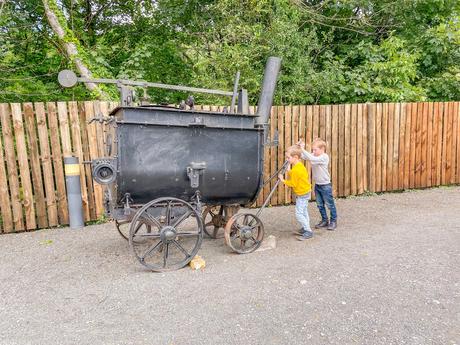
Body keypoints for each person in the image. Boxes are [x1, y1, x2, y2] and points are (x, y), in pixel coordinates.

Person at [297, 138, 337, 230]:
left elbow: (311, 158)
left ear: (322, 149)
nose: (313, 151)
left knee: (329, 204)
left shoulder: (324, 157)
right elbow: (304, 156)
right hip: (317, 185)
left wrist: (303, 149)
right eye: (312, 150)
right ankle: (324, 220)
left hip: (326, 185)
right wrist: (299, 148)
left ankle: (333, 221)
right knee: (319, 204)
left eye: (315, 149)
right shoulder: (314, 155)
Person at [278, 145, 313, 240]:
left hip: (302, 194)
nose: (287, 159)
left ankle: (308, 231)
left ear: (296, 157)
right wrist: (289, 171)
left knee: (299, 213)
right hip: (305, 192)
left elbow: (292, 183)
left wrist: (283, 180)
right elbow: (294, 174)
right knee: (304, 211)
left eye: (288, 157)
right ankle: (306, 228)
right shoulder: (299, 166)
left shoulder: (297, 170)